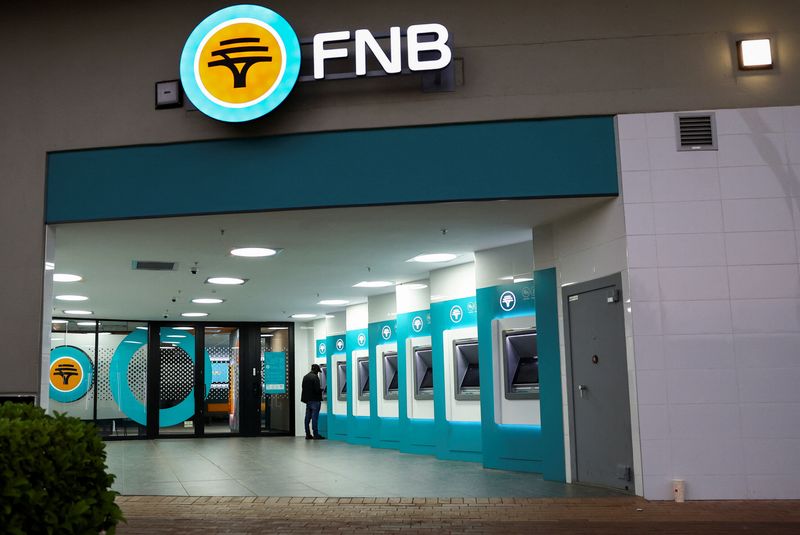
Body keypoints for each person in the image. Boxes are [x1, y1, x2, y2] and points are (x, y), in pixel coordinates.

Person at [301, 364, 325, 440]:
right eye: (317, 371)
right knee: (315, 418)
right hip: (315, 400)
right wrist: (322, 389)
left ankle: (308, 434)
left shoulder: (305, 377)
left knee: (307, 418)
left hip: (308, 401)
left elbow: (303, 388)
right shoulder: (315, 377)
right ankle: (316, 435)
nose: (318, 373)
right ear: (315, 370)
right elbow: (317, 389)